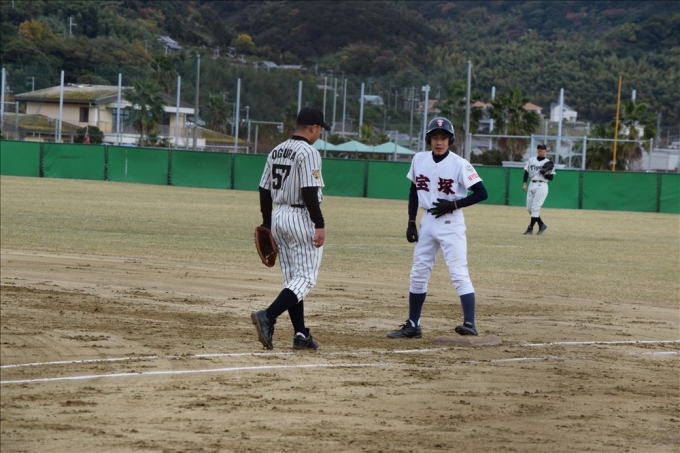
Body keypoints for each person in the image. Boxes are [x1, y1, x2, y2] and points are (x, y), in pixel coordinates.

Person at [387, 117, 488, 339]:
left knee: (458, 271)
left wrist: (454, 204)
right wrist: (411, 222)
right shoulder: (419, 159)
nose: (439, 142)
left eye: (443, 137)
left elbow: (482, 192)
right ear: (429, 140)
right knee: (418, 272)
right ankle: (413, 325)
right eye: (434, 137)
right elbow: (413, 191)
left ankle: (469, 323)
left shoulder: (460, 164)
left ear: (450, 140)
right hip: (427, 221)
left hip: (451, 222)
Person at [251, 106, 330, 350]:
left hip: (279, 216)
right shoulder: (309, 152)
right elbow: (309, 191)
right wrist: (319, 224)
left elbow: (264, 189)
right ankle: (268, 316)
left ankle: (300, 334)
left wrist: (267, 222)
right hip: (300, 217)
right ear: (313, 128)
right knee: (305, 279)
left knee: (294, 280)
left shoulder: (276, 150)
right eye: (320, 129)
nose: (320, 134)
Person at [522, 144, 555, 235]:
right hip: (531, 184)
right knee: (529, 209)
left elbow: (551, 178)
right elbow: (526, 172)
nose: (540, 150)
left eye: (542, 149)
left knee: (535, 208)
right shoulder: (531, 160)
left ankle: (530, 228)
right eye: (539, 149)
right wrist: (524, 183)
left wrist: (545, 173)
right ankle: (541, 224)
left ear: (545, 151)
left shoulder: (548, 162)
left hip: (542, 185)